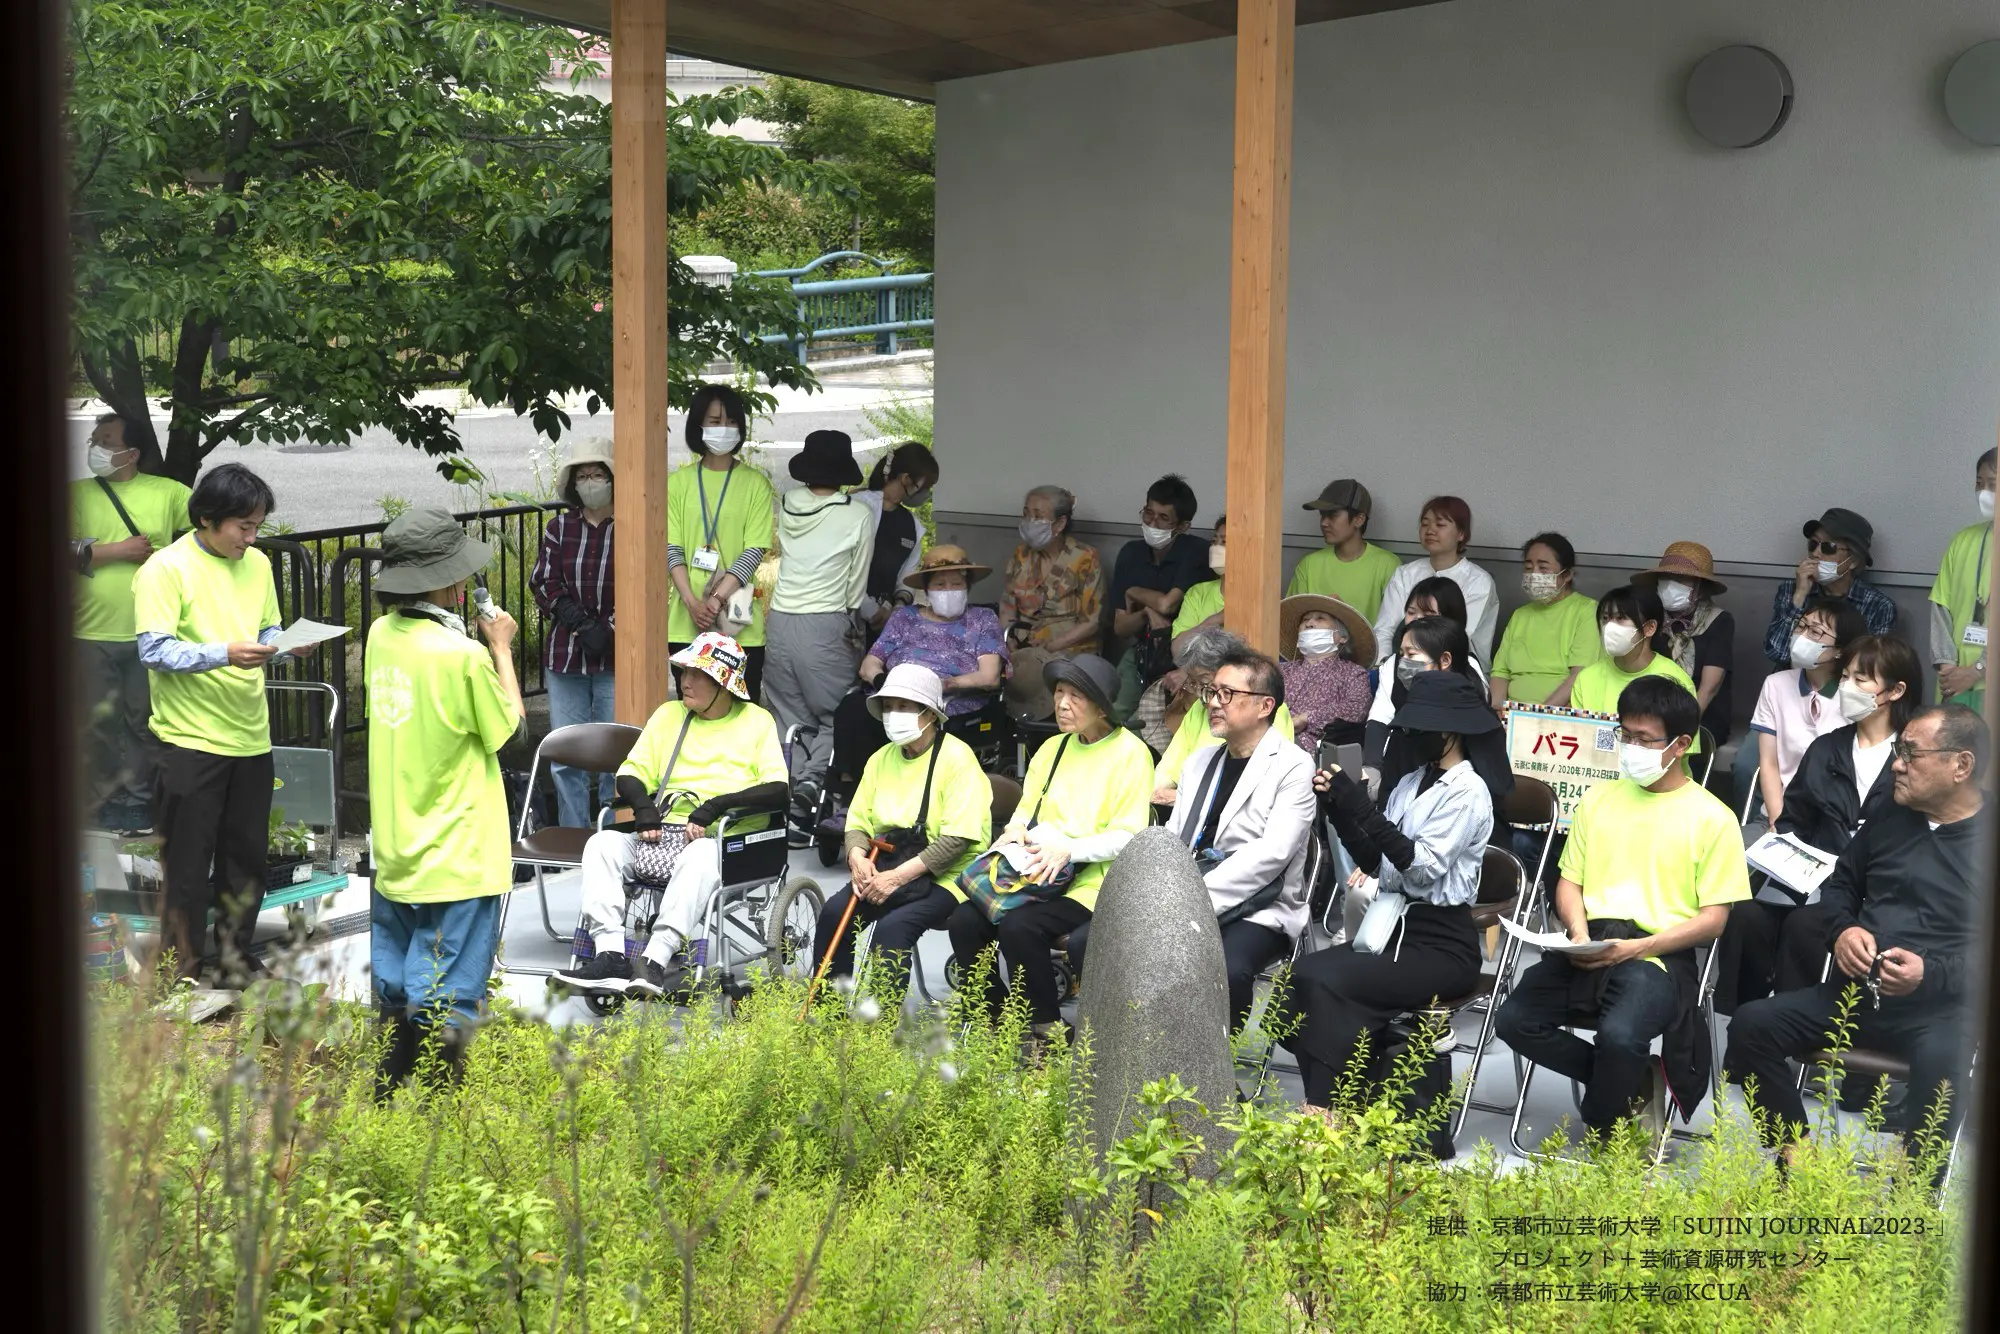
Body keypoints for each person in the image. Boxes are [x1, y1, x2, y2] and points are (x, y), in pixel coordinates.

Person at [1724, 704, 1987, 1188]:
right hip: (1856, 995)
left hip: (1941, 1010)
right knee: (1751, 1026)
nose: (1897, 764)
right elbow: (1841, 886)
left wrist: (1930, 973)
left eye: (1911, 753)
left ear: (1961, 765)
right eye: (1898, 751)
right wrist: (1843, 931)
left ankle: (1913, 1192)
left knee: (1946, 1064)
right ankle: (1798, 1161)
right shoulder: (1892, 815)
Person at [1493, 676, 1750, 1144]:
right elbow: (1569, 883)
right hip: (1590, 944)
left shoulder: (1714, 818)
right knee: (1513, 1019)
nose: (1630, 748)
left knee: (1620, 1036)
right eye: (1624, 735)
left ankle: (1603, 1125)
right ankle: (1631, 1082)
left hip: (1658, 957)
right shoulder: (1599, 799)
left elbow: (1715, 920)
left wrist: (1636, 948)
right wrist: (1577, 934)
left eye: (1643, 739)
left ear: (1680, 745)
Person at [1274, 671, 1507, 1108]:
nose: (1410, 736)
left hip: (1443, 945)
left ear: (1451, 732)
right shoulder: (1410, 782)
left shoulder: (1469, 791)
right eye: (1407, 727)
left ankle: (1323, 1109)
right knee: (1302, 976)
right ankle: (1336, 1102)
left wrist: (1360, 806)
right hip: (1391, 930)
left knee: (1329, 983)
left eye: (1420, 729)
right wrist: (1339, 811)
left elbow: (1421, 868)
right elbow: (1376, 862)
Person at [365, 509, 525, 1096]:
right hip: (459, 848)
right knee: (448, 989)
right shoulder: (462, 656)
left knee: (394, 983)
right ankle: (437, 1112)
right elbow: (512, 734)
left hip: (396, 844)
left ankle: (385, 1096)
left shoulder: (380, 636)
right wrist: (500, 650)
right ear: (450, 582)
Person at [554, 634, 789, 997]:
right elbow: (630, 773)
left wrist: (717, 805)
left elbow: (778, 789)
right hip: (665, 833)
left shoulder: (757, 722)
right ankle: (610, 955)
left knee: (700, 854)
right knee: (601, 844)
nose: (685, 681)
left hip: (728, 840)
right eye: (684, 671)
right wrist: (644, 807)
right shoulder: (669, 715)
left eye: (698, 674)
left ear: (724, 683)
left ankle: (655, 960)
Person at [946, 655, 1152, 1045]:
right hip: (1037, 872)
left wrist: (1069, 850)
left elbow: (1130, 836)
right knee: (964, 920)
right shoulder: (1053, 747)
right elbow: (1028, 807)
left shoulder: (1131, 753)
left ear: (1101, 707)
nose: (1062, 704)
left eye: (1076, 696)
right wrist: (1015, 829)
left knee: (1020, 926)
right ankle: (996, 1017)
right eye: (1059, 693)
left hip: (1093, 882)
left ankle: (1046, 1030)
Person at [133, 463, 285, 984]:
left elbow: (267, 628)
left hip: (251, 735)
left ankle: (236, 961)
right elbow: (154, 649)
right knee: (187, 865)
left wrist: (286, 645)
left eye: (257, 526)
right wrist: (223, 653)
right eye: (243, 526)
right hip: (188, 740)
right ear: (207, 518)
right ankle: (179, 972)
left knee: (247, 861)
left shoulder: (258, 564)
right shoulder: (165, 569)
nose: (251, 537)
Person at [1714, 634, 1918, 1018]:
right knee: (1746, 914)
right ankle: (1745, 1018)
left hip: (1870, 887)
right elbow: (1794, 820)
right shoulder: (1826, 748)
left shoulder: (1911, 757)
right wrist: (1783, 854)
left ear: (1895, 691)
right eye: (1845, 677)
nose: (1847, 687)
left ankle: (1795, 1022)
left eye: (1861, 680)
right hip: (1810, 877)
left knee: (1806, 925)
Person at [1158, 648, 1317, 1030]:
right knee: (1095, 941)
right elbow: (1174, 839)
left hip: (1260, 906)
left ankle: (1217, 1064)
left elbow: (1272, 855)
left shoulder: (1293, 765)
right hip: (1186, 894)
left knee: (1227, 969)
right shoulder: (1199, 762)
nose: (1214, 703)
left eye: (1227, 694)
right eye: (1212, 692)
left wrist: (1191, 898)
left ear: (1265, 705)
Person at [810, 665, 991, 997]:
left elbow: (956, 841)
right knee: (835, 914)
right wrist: (857, 859)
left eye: (904, 707)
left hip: (948, 876)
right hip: (888, 864)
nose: (894, 715)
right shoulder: (880, 758)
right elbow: (858, 821)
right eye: (889, 706)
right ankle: (829, 1011)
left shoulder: (957, 758)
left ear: (930, 714)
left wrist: (895, 879)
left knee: (892, 930)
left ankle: (878, 1023)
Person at [73, 412, 190, 833]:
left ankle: (142, 801)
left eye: (106, 441)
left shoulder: (169, 493)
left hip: (151, 630)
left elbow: (204, 539)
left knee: (145, 723)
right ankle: (104, 801)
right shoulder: (75, 494)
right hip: (88, 630)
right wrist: (116, 551)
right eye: (94, 440)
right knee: (97, 724)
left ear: (132, 453)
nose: (95, 448)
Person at [833, 545, 1010, 794]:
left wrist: (943, 684)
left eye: (956, 584)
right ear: (927, 590)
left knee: (906, 716)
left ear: (967, 586)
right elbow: (868, 665)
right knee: (853, 707)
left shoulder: (983, 619)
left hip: (948, 701)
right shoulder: (904, 618)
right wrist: (885, 683)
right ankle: (852, 796)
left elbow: (989, 677)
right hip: (895, 693)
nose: (948, 590)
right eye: (940, 585)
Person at [764, 430, 873, 825]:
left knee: (788, 716)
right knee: (839, 711)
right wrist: (853, 622)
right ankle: (812, 785)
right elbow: (855, 585)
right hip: (827, 623)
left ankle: (789, 796)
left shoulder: (789, 504)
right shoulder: (858, 514)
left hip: (779, 621)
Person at [529, 437, 617, 829]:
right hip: (566, 655)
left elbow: (642, 584)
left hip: (616, 656)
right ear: (573, 484)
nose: (590, 482)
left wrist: (609, 628)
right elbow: (544, 582)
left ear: (614, 479)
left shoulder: (631, 526)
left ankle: (615, 836)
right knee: (567, 757)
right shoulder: (558, 528)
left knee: (619, 754)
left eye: (598, 474)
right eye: (583, 476)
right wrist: (580, 623)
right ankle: (573, 837)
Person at [668, 384, 774, 699]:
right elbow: (672, 550)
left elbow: (754, 550)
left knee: (741, 710)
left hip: (739, 621)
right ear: (698, 425)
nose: (724, 428)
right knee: (693, 706)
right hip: (685, 620)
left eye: (731, 422)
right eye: (715, 421)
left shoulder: (756, 484)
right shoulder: (678, 484)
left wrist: (714, 601)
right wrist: (692, 602)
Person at [1747, 596, 1868, 827]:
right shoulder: (1776, 684)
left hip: (1835, 821)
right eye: (1801, 626)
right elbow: (1769, 763)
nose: (1802, 636)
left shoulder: (1855, 696)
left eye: (1816, 632)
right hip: (1781, 813)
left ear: (1840, 650)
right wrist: (1777, 821)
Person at [1104, 474, 1211, 721]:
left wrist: (1133, 592)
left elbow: (1167, 604)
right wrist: (1146, 612)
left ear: (1183, 526)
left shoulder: (1196, 551)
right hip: (1142, 651)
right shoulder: (1130, 554)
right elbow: (1121, 627)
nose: (1153, 524)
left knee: (1149, 724)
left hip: (1183, 658)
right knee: (1112, 715)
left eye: (1164, 518)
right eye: (1148, 514)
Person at [1152, 626, 1295, 804]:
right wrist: (1154, 791)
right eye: (1193, 682)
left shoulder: (1262, 707)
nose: (1199, 691)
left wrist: (1183, 798)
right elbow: (1170, 766)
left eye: (1203, 681)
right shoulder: (1199, 707)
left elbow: (1261, 786)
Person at [1363, 581, 1488, 784]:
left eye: (1429, 614)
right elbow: (1379, 718)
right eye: (1411, 612)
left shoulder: (1468, 667)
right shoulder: (1393, 664)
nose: (1417, 621)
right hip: (1401, 764)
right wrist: (1371, 768)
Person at [1568, 586, 1704, 762]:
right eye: (1605, 619)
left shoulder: (1676, 681)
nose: (1609, 627)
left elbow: (1678, 754)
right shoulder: (1586, 678)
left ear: (1650, 628)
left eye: (1620, 618)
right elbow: (1578, 741)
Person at [1760, 507, 1896, 667]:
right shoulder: (1791, 589)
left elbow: (1868, 668)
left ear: (1853, 561)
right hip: (1791, 678)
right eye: (1813, 544)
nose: (1816, 553)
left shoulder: (1878, 606)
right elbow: (1776, 652)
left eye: (1829, 547)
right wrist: (1800, 595)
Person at [1630, 542, 1735, 749]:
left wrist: (1678, 730)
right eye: (1666, 577)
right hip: (1650, 711)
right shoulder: (1652, 618)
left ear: (1699, 587)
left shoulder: (1719, 621)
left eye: (1680, 579)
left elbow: (1709, 688)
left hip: (1701, 717)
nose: (1670, 585)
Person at [1371, 496, 1498, 666]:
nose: (1430, 530)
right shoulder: (1405, 573)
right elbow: (1384, 629)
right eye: (1425, 524)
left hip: (1458, 670)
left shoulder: (1478, 581)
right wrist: (1385, 665)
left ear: (1461, 534)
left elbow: (1459, 638)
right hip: (1401, 665)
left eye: (1440, 525)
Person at [1489, 532, 1597, 710]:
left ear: (1567, 574)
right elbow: (1500, 672)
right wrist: (1497, 709)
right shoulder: (1520, 615)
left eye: (1543, 567)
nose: (1534, 574)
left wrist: (1537, 715)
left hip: (1557, 714)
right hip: (1512, 715)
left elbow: (1580, 675)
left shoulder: (1587, 611)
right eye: (1528, 567)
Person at [999, 484, 1103, 658]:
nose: (1029, 522)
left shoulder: (1085, 558)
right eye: (1026, 515)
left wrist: (1051, 646)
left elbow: (1092, 621)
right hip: (1023, 649)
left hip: (1070, 651)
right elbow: (1008, 603)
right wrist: (1008, 637)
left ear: (1060, 524)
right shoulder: (1021, 554)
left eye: (1038, 517)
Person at [1929, 447, 1995, 713]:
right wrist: (1948, 668)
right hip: (1954, 684)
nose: (1984, 493)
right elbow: (1940, 606)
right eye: (1979, 484)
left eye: (1993, 484)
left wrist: (1978, 669)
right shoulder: (1963, 539)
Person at [1288, 478, 1402, 622]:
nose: (1324, 522)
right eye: (1322, 515)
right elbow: (1291, 619)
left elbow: (1395, 626)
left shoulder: (1387, 565)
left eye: (1333, 514)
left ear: (1359, 519)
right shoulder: (1309, 564)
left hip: (1372, 638)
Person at [1276, 594, 1374, 756]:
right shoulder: (1281, 670)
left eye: (1320, 618)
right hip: (1267, 738)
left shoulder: (1353, 673)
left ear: (1342, 637)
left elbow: (1356, 709)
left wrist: (1306, 718)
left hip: (1313, 749)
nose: (1309, 623)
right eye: (1305, 619)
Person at [856, 441, 939, 631]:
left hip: (884, 624)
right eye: (925, 486)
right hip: (847, 619)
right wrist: (869, 609)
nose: (926, 494)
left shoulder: (912, 525)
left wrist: (898, 606)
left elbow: (907, 576)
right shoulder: (858, 507)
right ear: (906, 479)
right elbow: (843, 568)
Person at [1170, 514, 1227, 652]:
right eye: (1214, 541)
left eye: (1224, 542)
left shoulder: (1260, 598)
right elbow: (1177, 650)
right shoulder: (1198, 593)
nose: (1216, 547)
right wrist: (1214, 621)